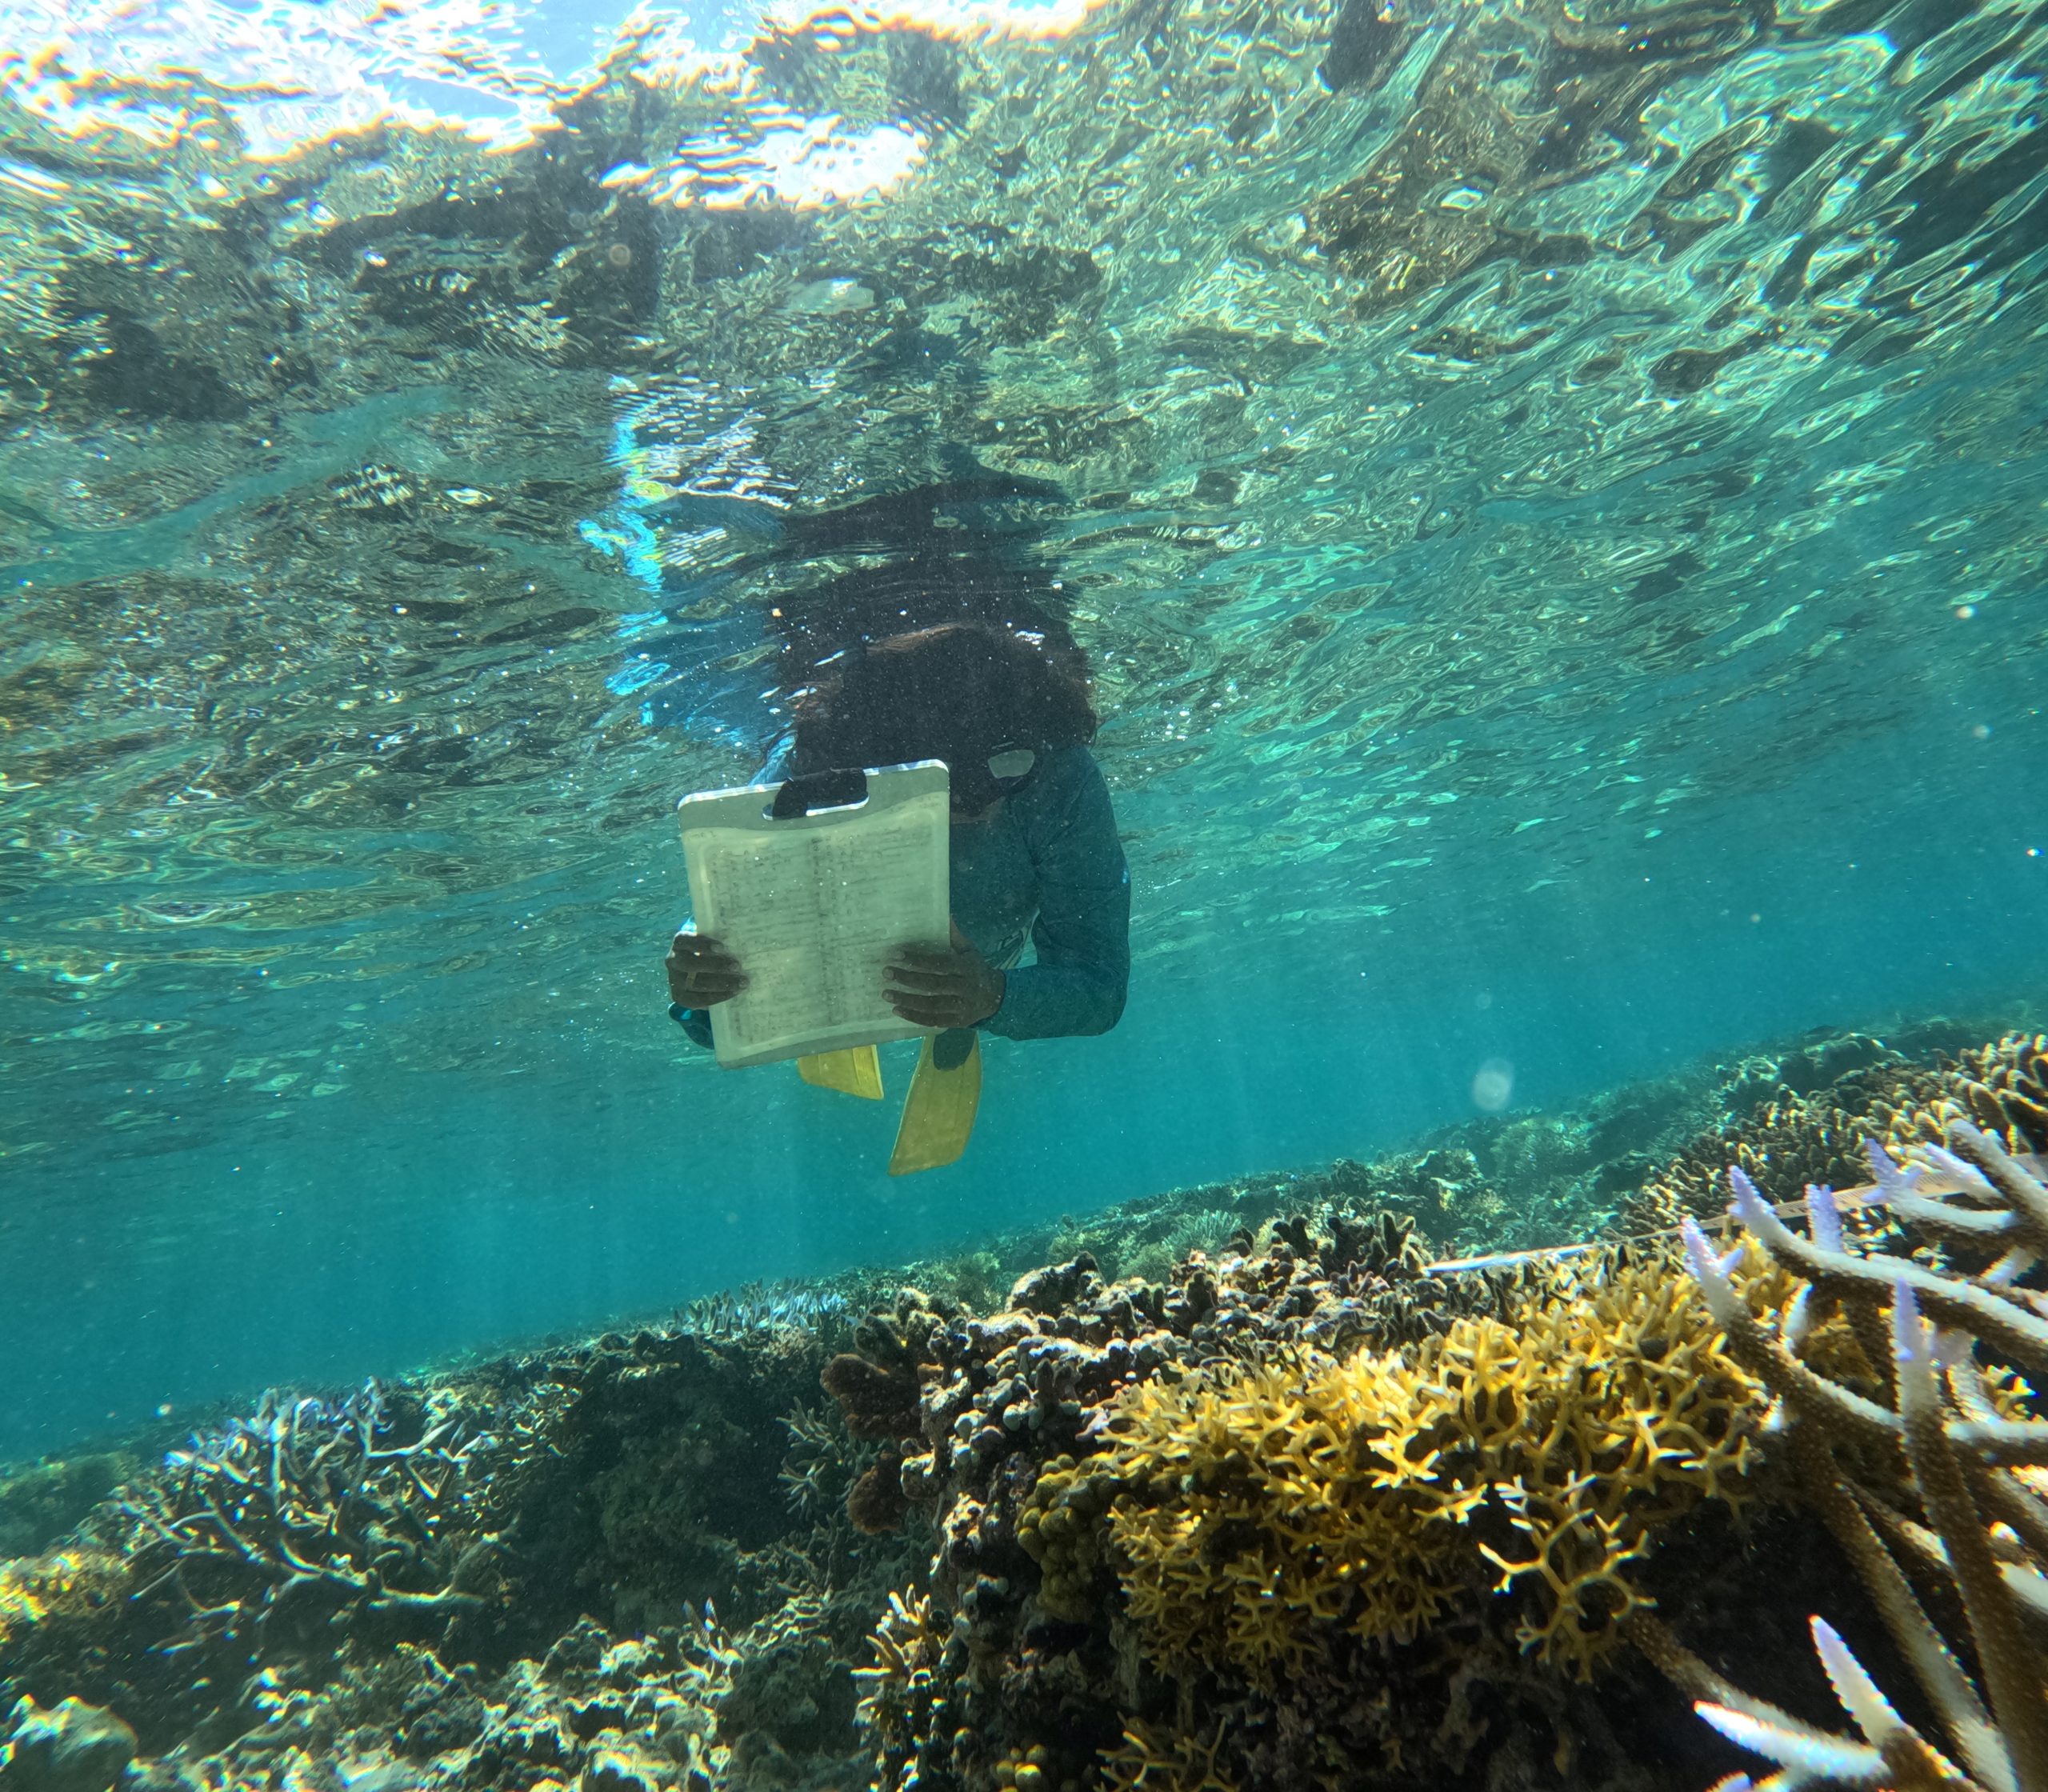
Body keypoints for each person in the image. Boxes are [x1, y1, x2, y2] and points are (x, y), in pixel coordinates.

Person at [664, 618, 1129, 1046]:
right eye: (948, 783)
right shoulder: (811, 771)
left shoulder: (1058, 776)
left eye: (1003, 771)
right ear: (878, 757)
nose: (977, 804)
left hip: (989, 971)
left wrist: (995, 998)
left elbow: (1099, 984)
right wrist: (699, 994)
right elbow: (720, 960)